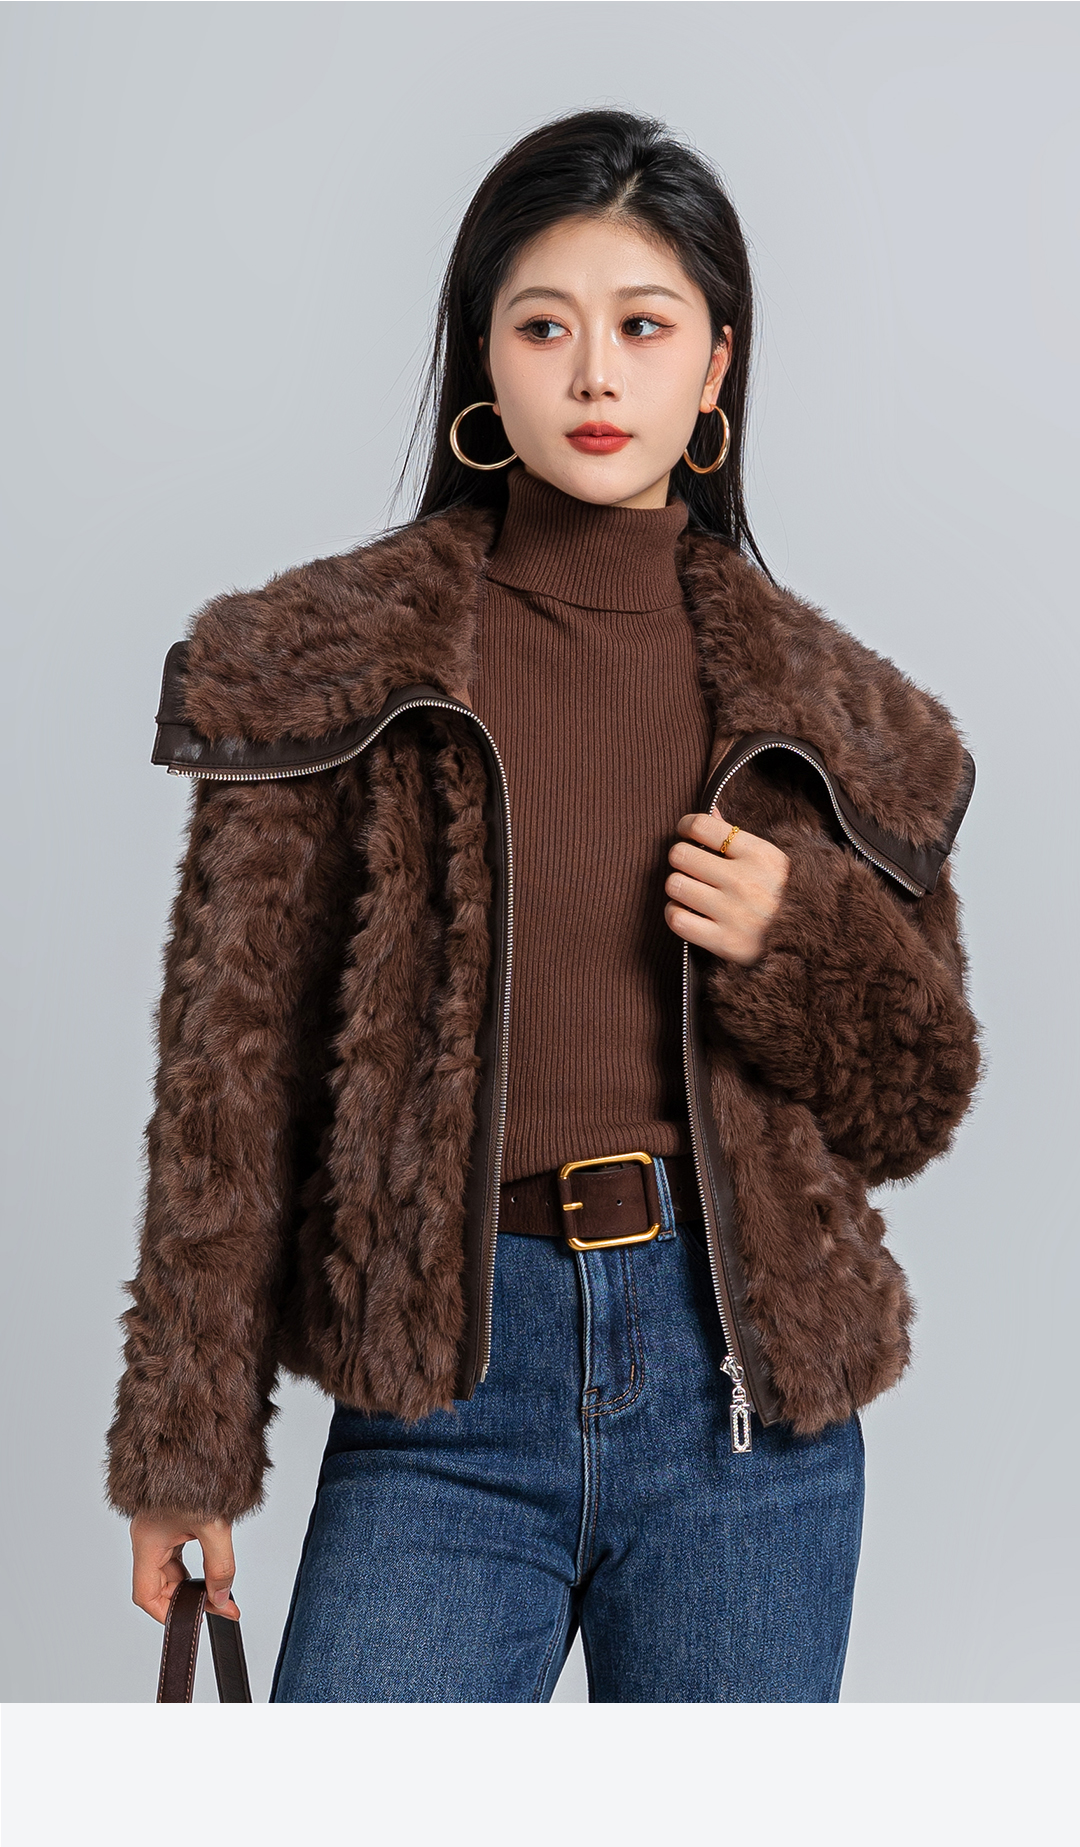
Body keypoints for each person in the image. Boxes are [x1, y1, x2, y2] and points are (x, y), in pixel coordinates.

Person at [106, 108, 981, 1702]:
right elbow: (228, 1083)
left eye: (643, 327)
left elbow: (915, 1101)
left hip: (743, 1407)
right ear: (482, 358)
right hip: (444, 1400)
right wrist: (188, 1449)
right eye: (544, 326)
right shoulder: (327, 671)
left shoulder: (844, 720)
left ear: (714, 367)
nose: (594, 375)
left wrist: (800, 942)